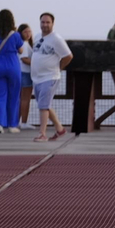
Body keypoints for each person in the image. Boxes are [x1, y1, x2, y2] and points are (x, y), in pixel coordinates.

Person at [31, 12, 72, 141]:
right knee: (45, 104)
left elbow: (68, 56)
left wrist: (59, 68)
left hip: (50, 77)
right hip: (37, 77)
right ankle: (60, 129)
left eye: (48, 22)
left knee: (43, 106)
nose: (45, 25)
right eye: (43, 22)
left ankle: (42, 134)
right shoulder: (37, 37)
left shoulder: (56, 39)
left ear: (53, 24)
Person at [0, 9, 25, 133]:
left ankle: (0, 124)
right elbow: (21, 50)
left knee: (0, 97)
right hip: (13, 66)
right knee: (14, 96)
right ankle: (11, 125)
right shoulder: (15, 35)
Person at [17, 23, 35, 127]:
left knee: (21, 98)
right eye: (25, 32)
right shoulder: (24, 44)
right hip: (26, 73)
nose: (28, 34)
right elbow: (24, 59)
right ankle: (24, 122)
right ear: (20, 33)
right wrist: (37, 63)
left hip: (23, 73)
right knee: (25, 99)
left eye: (29, 31)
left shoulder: (25, 43)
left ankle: (17, 121)